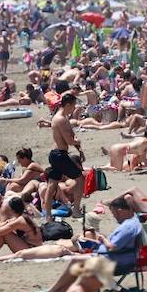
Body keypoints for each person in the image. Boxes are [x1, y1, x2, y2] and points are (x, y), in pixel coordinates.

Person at [43, 92, 85, 221]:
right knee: (80, 178)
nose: (74, 108)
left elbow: (72, 134)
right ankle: (76, 210)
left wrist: (79, 148)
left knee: (52, 184)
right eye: (73, 106)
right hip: (59, 155)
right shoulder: (60, 119)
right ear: (68, 105)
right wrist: (76, 142)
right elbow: (69, 140)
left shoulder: (63, 117)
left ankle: (48, 215)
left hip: (57, 154)